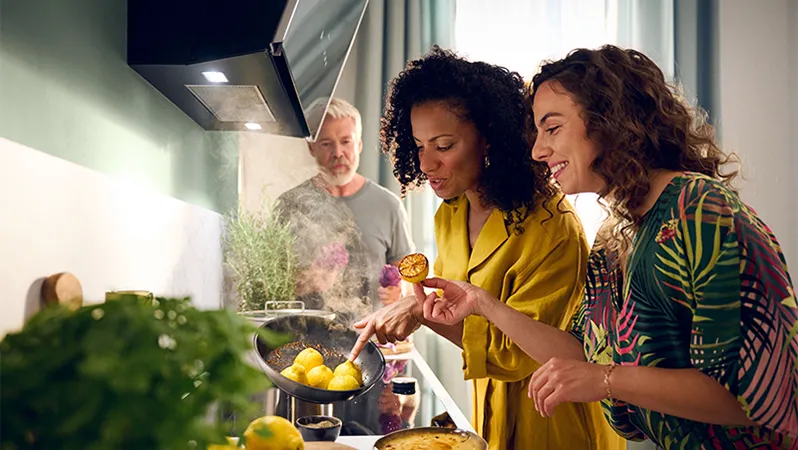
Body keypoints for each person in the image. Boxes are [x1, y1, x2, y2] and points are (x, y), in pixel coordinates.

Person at [418, 45, 798, 449]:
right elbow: (581, 352)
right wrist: (482, 304)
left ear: (607, 121)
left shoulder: (700, 209)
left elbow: (755, 396)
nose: (537, 150)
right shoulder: (615, 233)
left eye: (552, 128)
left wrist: (606, 380)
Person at [350, 46, 624, 450]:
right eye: (418, 145)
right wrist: (419, 308)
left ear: (488, 140)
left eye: (443, 146)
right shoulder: (450, 214)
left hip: (553, 420)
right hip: (488, 409)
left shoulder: (550, 226)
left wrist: (419, 313)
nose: (426, 164)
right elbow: (455, 307)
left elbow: (517, 355)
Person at [275, 97, 415, 317]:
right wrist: (306, 280)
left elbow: (407, 275)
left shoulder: (389, 205)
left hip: (372, 337)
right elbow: (271, 284)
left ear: (359, 145)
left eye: (346, 141)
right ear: (311, 148)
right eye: (326, 143)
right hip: (305, 338)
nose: (338, 152)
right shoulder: (288, 205)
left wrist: (400, 290)